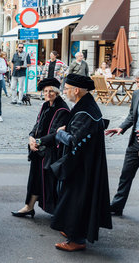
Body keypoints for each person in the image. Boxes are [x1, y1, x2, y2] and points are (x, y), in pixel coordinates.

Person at [46, 74, 112, 251]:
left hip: (82, 165)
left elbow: (75, 140)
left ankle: (77, 240)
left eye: (66, 89)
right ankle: (71, 230)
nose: (65, 92)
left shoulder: (85, 111)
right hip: (84, 162)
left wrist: (60, 132)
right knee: (73, 198)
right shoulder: (85, 105)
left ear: (76, 90)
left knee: (76, 199)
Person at [11, 78, 70, 218]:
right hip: (39, 149)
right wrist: (31, 137)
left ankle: (58, 213)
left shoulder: (63, 109)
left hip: (52, 152)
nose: (48, 94)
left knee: (50, 183)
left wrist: (37, 141)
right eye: (45, 91)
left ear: (57, 92)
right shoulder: (45, 105)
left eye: (51, 91)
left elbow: (56, 134)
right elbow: (37, 124)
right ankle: (29, 206)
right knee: (34, 179)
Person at [105, 72, 139, 216]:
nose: (138, 85)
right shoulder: (137, 94)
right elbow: (132, 115)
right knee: (126, 174)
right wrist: (121, 127)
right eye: (137, 81)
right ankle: (117, 205)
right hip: (135, 143)